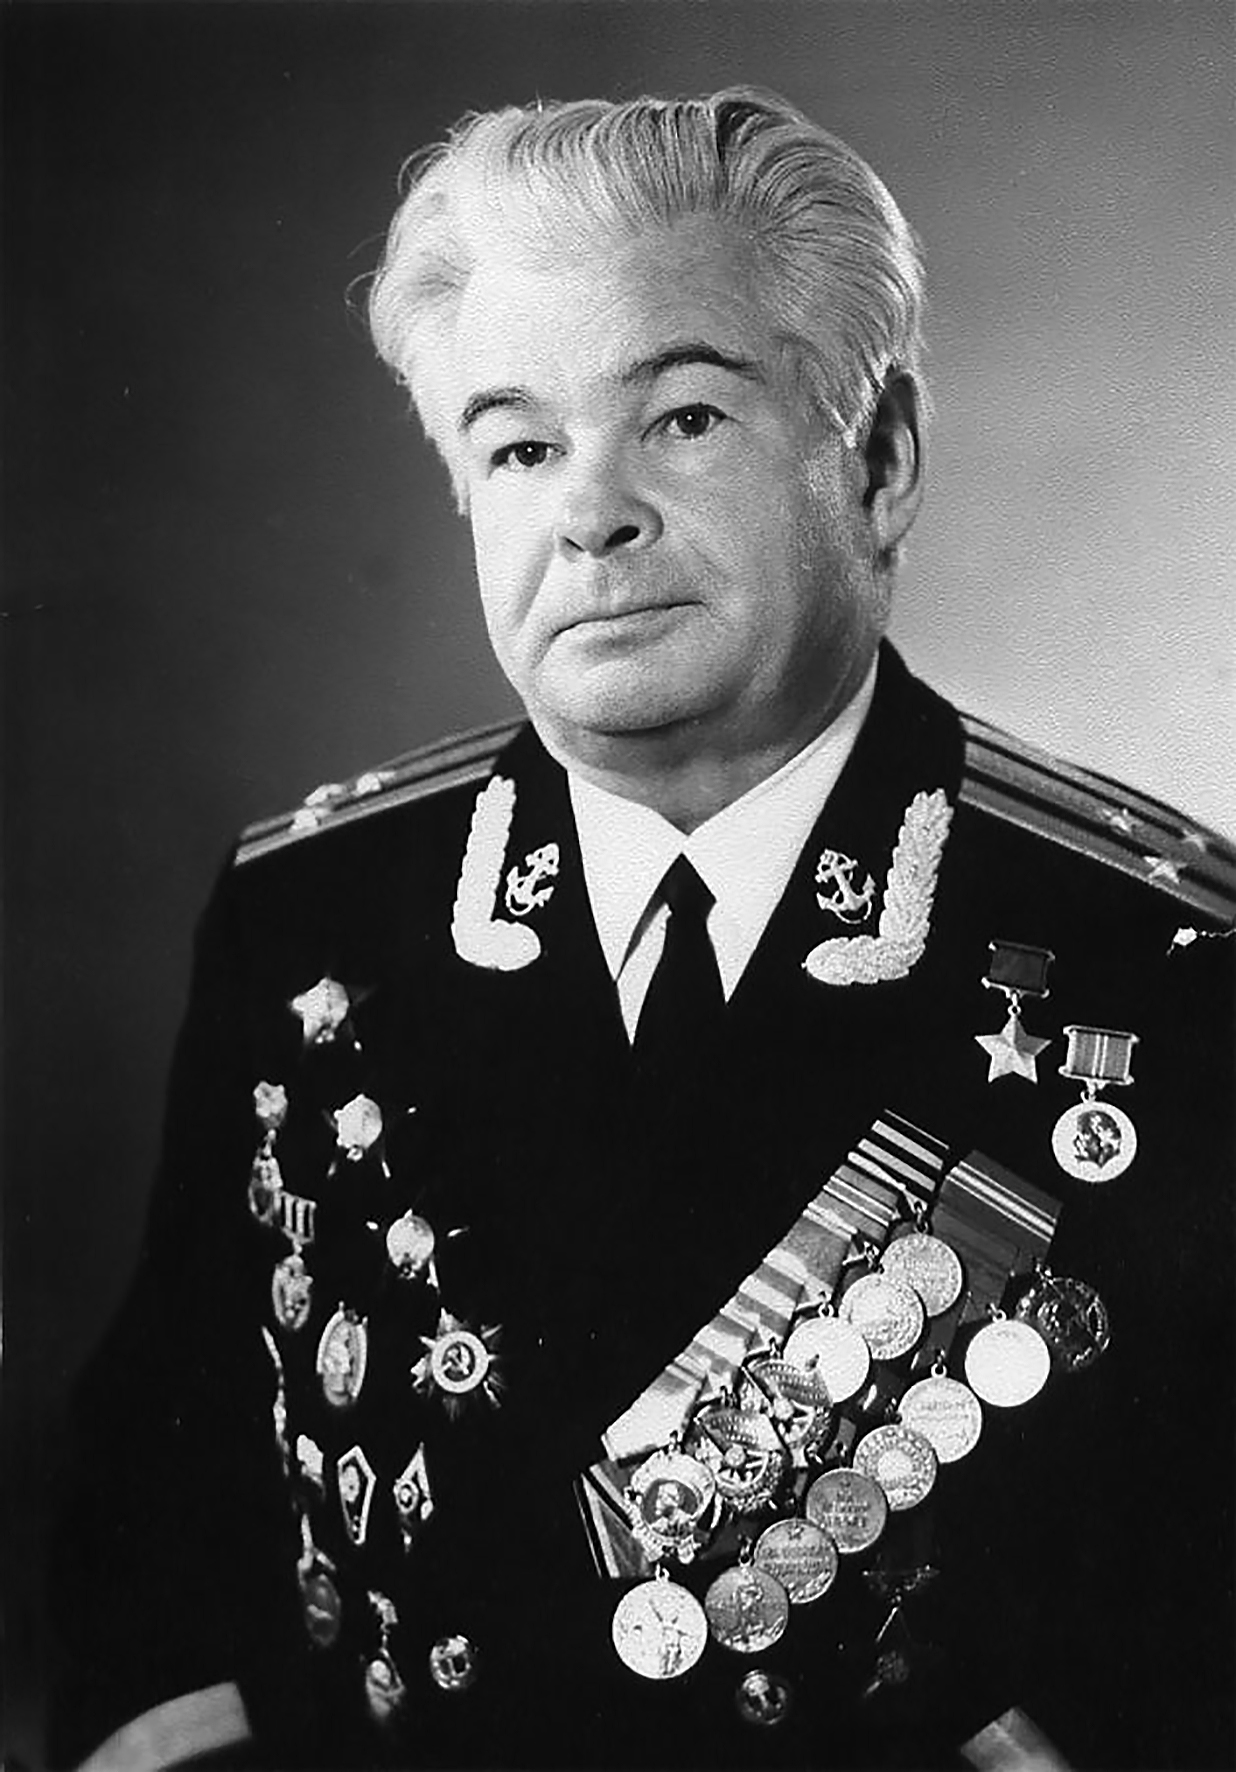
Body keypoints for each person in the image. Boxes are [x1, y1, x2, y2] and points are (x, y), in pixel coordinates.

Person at [50, 88, 1234, 1771]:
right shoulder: (312, 917)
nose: (589, 514)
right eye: (520, 447)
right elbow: (163, 1515)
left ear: (880, 460)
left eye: (681, 417)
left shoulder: (1162, 967)